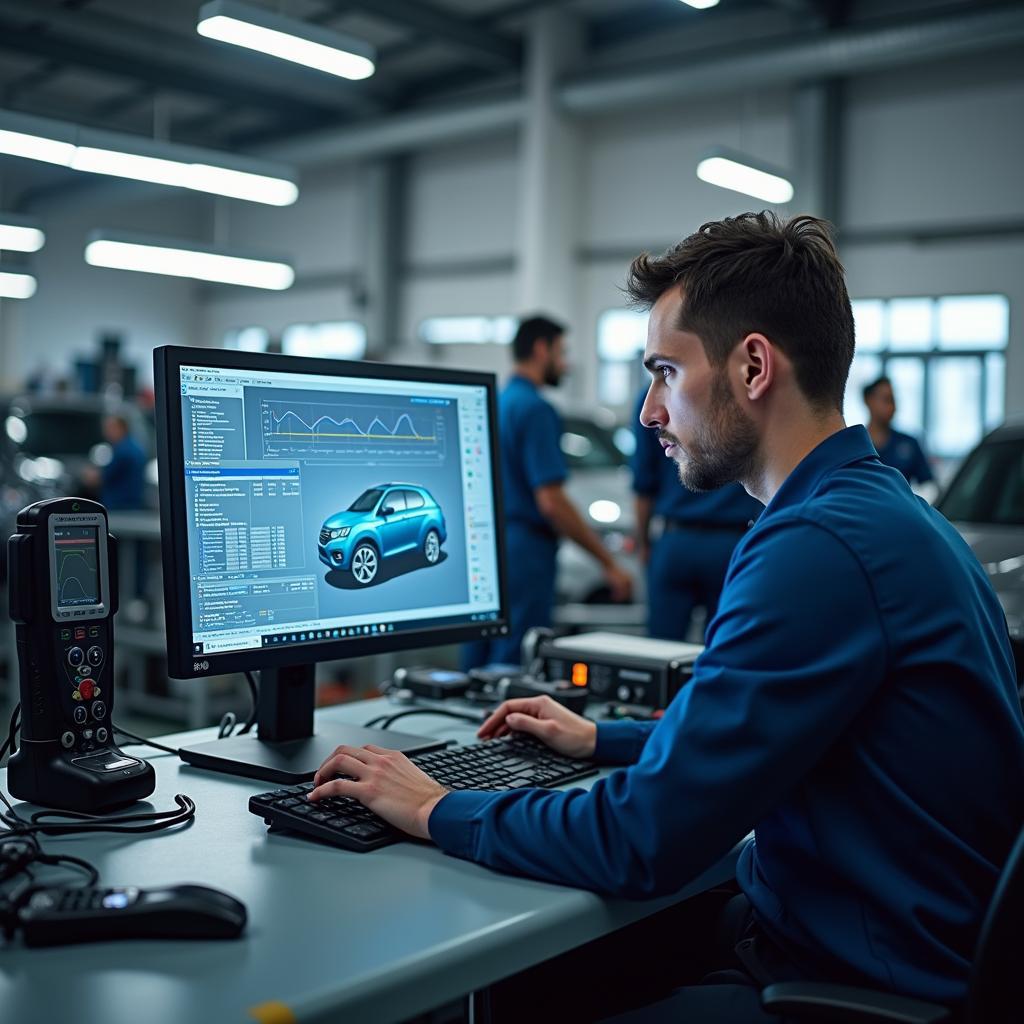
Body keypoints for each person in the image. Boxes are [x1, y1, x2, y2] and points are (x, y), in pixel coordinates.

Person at [308, 214, 1024, 1022]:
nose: (650, 413)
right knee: (539, 979)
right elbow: (786, 731)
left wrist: (435, 806)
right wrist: (602, 738)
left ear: (754, 366)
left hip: (861, 983)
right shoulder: (882, 513)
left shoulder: (817, 548)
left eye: (663, 372)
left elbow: (642, 839)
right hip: (858, 938)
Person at [461, 315, 632, 669]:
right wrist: (608, 563)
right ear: (542, 350)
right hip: (526, 552)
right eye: (562, 352)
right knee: (516, 657)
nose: (566, 363)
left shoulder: (499, 402)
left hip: (487, 546)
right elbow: (551, 501)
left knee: (479, 656)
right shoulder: (537, 409)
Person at [632, 387, 763, 641]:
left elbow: (643, 484)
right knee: (726, 646)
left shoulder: (651, 400)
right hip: (731, 543)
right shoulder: (741, 394)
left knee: (661, 649)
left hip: (675, 540)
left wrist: (644, 543)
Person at [863, 375, 934, 486]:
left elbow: (928, 485)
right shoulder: (856, 445)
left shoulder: (909, 443)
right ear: (868, 401)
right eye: (887, 400)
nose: (893, 407)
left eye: (893, 401)